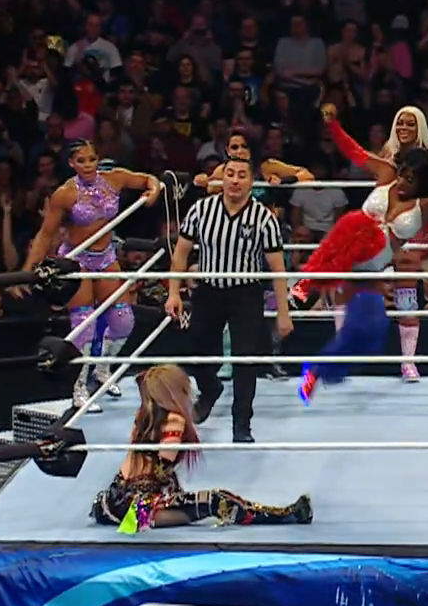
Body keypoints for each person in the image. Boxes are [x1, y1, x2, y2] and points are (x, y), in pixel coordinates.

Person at [292, 138, 428, 401]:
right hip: (351, 253)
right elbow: (355, 151)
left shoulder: (427, 203)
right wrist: (332, 127)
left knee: (374, 329)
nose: (404, 180)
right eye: (403, 173)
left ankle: (318, 369)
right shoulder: (387, 174)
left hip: (374, 267)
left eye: (412, 177)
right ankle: (304, 288)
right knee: (351, 315)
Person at [325, 103, 428, 380]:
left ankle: (408, 360)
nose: (404, 127)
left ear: (420, 128)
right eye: (400, 122)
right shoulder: (388, 161)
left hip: (414, 231)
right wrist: (334, 126)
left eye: (410, 123)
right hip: (380, 230)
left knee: (405, 272)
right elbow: (356, 154)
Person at [22, 140, 164, 408]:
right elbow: (45, 234)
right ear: (71, 163)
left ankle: (102, 369)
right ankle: (78, 385)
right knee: (84, 325)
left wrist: (153, 190)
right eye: (81, 160)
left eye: (92, 159)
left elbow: (148, 179)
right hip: (77, 259)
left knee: (123, 321)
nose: (88, 165)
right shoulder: (65, 194)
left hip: (106, 256)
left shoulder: (114, 178)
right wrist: (28, 270)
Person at [164, 157, 294, 443]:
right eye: (230, 174)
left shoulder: (264, 218)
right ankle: (210, 389)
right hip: (208, 290)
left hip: (245, 293)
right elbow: (181, 253)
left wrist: (283, 313)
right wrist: (173, 292)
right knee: (195, 351)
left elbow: (277, 268)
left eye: (242, 175)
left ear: (251, 181)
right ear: (221, 179)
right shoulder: (201, 210)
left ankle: (242, 425)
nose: (235, 180)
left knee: (245, 360)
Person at [91, 365, 313, 531]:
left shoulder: (143, 416)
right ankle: (284, 515)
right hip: (140, 508)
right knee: (216, 500)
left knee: (196, 499)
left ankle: (283, 514)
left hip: (114, 500)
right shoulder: (174, 420)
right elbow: (160, 470)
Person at [195, 131, 314, 191]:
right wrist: (202, 179)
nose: (240, 151)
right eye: (235, 147)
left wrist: (282, 180)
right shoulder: (223, 170)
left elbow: (307, 175)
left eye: (244, 146)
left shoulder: (267, 166)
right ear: (228, 151)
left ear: (251, 149)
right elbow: (209, 187)